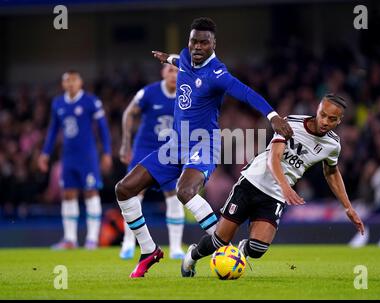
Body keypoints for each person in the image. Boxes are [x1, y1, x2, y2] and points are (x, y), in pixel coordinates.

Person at [114, 17, 293, 278]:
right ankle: (149, 251)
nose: (197, 46)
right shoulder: (186, 57)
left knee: (184, 191)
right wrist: (168, 58)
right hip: (175, 145)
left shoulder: (218, 74)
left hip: (203, 143)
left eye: (203, 42)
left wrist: (273, 116)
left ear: (213, 44)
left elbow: (246, 93)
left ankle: (226, 248)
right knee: (124, 189)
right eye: (193, 41)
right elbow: (181, 61)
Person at [181, 94, 365, 277]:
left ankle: (243, 250)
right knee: (220, 241)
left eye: (332, 119)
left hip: (275, 196)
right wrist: (286, 187)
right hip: (252, 182)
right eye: (322, 114)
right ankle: (192, 255)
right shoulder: (290, 124)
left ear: (339, 121)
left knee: (258, 248)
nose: (325, 121)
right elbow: (273, 159)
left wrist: (348, 207)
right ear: (317, 109)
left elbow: (331, 172)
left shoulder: (332, 145)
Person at [119, 59, 186, 260]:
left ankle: (175, 247)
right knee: (133, 193)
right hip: (145, 148)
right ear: (163, 72)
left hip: (170, 151)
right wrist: (125, 142)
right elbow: (128, 113)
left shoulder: (187, 94)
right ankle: (129, 243)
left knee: (174, 196)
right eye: (170, 69)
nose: (174, 74)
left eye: (177, 71)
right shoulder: (148, 92)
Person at [38, 70, 112, 250]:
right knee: (68, 194)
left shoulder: (90, 101)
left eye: (73, 80)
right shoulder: (58, 103)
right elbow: (53, 130)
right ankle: (70, 239)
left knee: (91, 192)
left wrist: (107, 153)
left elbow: (103, 128)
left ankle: (92, 239)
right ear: (63, 84)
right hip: (68, 156)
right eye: (67, 81)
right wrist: (45, 153)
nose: (70, 84)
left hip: (87, 156)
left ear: (80, 83)